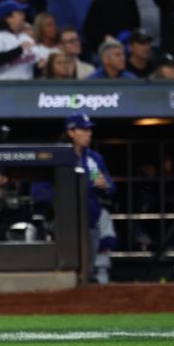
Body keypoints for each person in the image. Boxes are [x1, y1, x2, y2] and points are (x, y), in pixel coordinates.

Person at [63, 113, 117, 283]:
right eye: (84, 129)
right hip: (64, 223)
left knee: (88, 270)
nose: (89, 133)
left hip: (90, 221)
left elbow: (108, 187)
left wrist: (105, 185)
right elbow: (46, 191)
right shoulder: (60, 156)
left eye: (90, 129)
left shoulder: (92, 159)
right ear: (71, 132)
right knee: (67, 269)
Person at [0, 0, 38, 81]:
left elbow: (32, 66)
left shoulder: (27, 38)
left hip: (24, 89)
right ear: (8, 18)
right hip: (1, 88)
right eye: (19, 13)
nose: (23, 16)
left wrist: (39, 66)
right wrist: (19, 50)